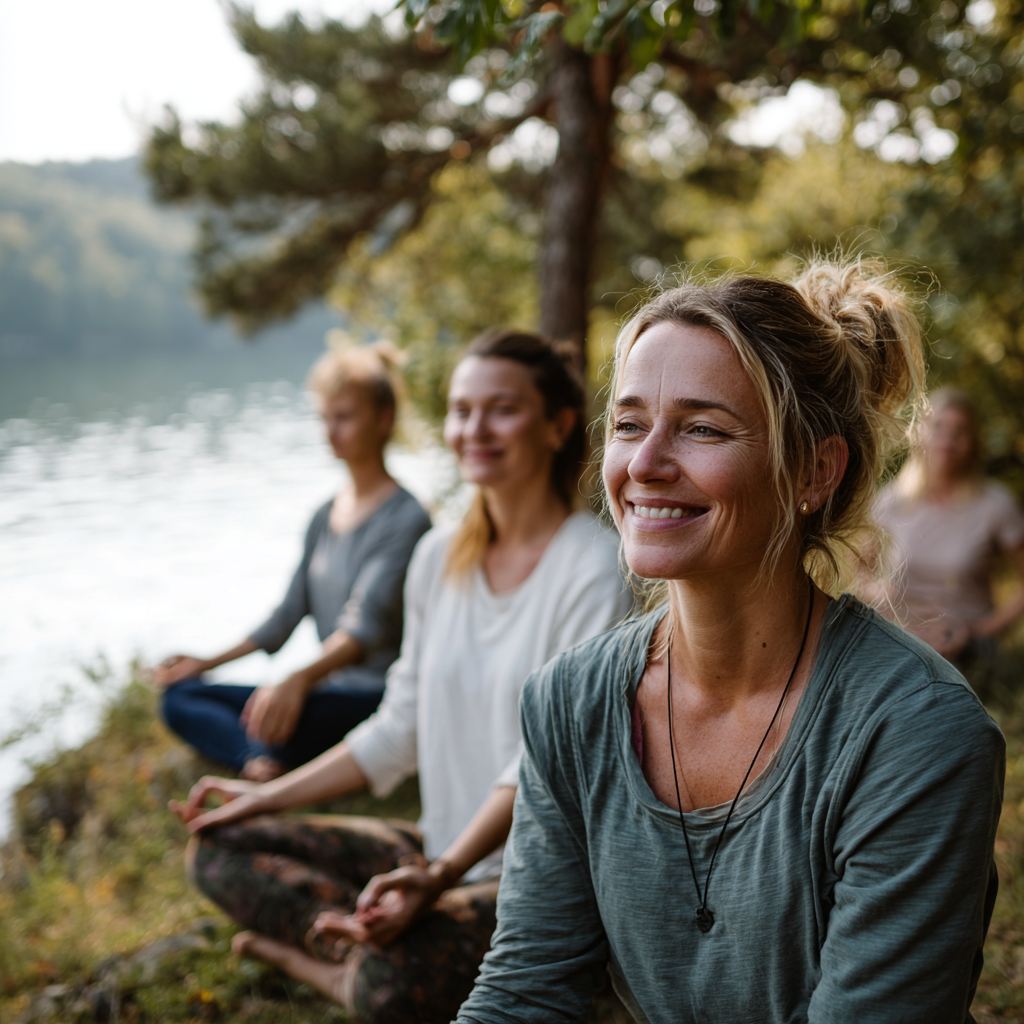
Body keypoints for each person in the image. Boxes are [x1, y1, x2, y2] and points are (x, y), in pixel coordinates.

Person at [455, 263, 1005, 1024]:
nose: (644, 465)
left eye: (703, 427)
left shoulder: (917, 735)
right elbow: (524, 990)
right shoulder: (569, 701)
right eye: (627, 423)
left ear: (814, 470)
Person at [170, 329, 632, 1023]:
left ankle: (341, 966)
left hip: (534, 885)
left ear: (557, 425)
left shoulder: (594, 567)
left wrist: (440, 880)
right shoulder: (437, 557)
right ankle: (360, 946)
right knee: (218, 846)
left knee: (394, 983)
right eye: (461, 409)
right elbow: (396, 728)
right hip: (437, 850)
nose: (474, 429)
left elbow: (542, 766)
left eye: (500, 409)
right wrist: (262, 798)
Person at [154, 341, 431, 781]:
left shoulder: (406, 518)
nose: (330, 431)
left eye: (344, 418)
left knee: (279, 711)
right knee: (179, 697)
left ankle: (261, 756)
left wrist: (298, 680)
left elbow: (363, 630)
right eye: (325, 418)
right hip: (323, 686)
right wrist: (203, 664)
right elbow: (285, 618)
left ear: (384, 419)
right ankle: (260, 760)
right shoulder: (325, 515)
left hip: (375, 696)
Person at [872, 387, 1024, 666]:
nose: (947, 440)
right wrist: (879, 595)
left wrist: (984, 631)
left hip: (969, 650)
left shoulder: (995, 505)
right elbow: (857, 571)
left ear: (974, 442)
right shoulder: (889, 502)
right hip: (898, 641)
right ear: (920, 433)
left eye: (960, 431)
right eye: (938, 427)